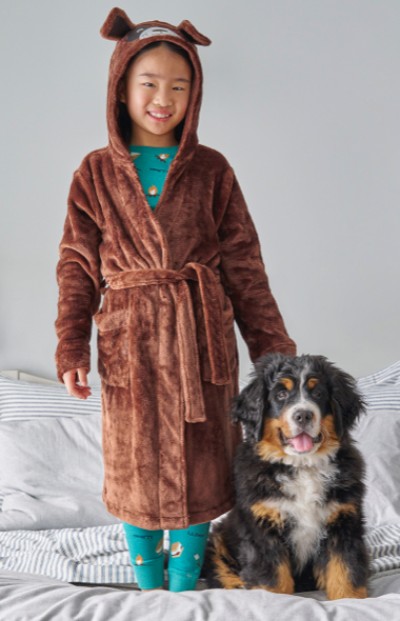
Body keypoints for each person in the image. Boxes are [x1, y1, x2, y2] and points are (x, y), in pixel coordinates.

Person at [55, 8, 296, 592]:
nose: (164, 98)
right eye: (149, 84)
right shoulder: (94, 173)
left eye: (179, 87)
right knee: (136, 464)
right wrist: (71, 347)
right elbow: (77, 266)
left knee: (202, 461)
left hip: (199, 336)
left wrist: (274, 352)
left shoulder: (213, 170)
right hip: (129, 338)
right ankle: (146, 588)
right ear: (121, 88)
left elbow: (244, 265)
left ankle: (186, 582)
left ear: (195, 95)